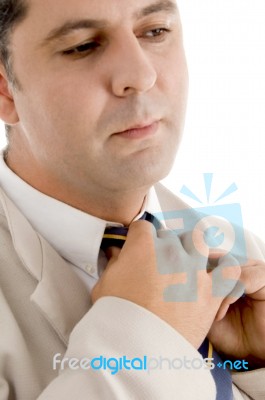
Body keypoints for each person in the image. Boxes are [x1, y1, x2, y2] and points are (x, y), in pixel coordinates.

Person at [0, 0, 264, 399]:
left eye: (155, 31)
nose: (142, 74)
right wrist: (143, 343)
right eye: (83, 45)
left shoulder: (241, 257)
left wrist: (255, 370)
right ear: (4, 89)